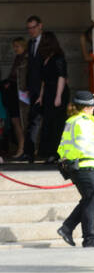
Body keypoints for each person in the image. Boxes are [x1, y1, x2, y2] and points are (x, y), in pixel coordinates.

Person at [55, 91, 94, 247]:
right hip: (85, 166)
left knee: (87, 200)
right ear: (87, 107)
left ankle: (68, 228)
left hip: (76, 167)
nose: (93, 109)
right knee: (91, 202)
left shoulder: (72, 121)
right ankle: (88, 237)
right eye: (92, 106)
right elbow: (83, 145)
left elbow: (62, 147)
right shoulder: (84, 121)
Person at [36, 31, 69, 162]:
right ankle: (49, 152)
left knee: (57, 123)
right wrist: (40, 96)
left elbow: (62, 77)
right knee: (48, 123)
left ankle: (56, 153)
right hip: (49, 92)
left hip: (57, 91)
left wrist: (58, 96)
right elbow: (44, 81)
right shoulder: (46, 59)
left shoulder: (59, 58)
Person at [20, 14, 45, 162]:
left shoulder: (47, 42)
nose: (31, 31)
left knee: (43, 120)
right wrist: (28, 86)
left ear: (40, 26)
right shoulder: (30, 43)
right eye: (29, 28)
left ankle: (42, 151)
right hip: (34, 89)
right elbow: (30, 67)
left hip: (46, 87)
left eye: (33, 27)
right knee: (32, 120)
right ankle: (29, 152)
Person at [1, 39, 27, 160]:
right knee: (16, 122)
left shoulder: (24, 59)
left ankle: (22, 149)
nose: (15, 49)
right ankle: (20, 148)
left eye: (17, 46)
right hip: (14, 95)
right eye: (14, 46)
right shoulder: (19, 58)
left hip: (19, 96)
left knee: (19, 123)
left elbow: (21, 78)